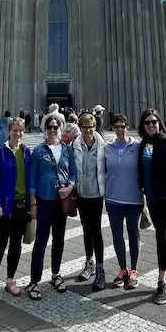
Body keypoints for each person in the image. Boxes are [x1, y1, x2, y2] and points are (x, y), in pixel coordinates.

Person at [26, 114, 77, 300]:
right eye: (50, 127)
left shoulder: (66, 149)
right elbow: (32, 178)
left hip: (60, 202)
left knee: (59, 239)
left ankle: (56, 274)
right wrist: (32, 202)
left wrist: (70, 187)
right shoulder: (39, 150)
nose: (53, 130)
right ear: (45, 129)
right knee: (41, 240)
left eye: (56, 127)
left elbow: (73, 172)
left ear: (61, 129)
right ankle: (34, 280)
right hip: (44, 201)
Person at [0, 118, 32, 307]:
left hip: (21, 206)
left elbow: (30, 180)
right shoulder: (1, 154)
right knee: (1, 243)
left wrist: (31, 204)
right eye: (15, 130)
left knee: (16, 245)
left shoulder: (26, 152)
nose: (18, 134)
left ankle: (10, 279)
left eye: (21, 131)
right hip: (4, 208)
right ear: (9, 132)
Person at [138, 109, 166, 305]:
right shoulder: (144, 144)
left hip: (164, 198)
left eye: (154, 122)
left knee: (160, 236)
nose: (151, 125)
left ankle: (161, 281)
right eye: (147, 122)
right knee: (161, 234)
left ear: (159, 123)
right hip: (152, 198)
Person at [105, 113, 142, 289]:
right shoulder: (107, 148)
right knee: (117, 236)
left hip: (134, 200)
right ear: (113, 128)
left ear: (128, 127)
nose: (120, 129)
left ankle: (134, 270)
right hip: (112, 199)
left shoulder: (138, 146)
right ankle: (122, 269)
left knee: (134, 235)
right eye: (117, 126)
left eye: (123, 126)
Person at [72, 112, 106, 290]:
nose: (87, 130)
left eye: (90, 127)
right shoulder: (75, 145)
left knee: (96, 230)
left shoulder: (102, 147)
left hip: (96, 195)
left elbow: (108, 168)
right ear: (81, 128)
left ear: (95, 127)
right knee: (86, 229)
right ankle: (89, 262)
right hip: (82, 195)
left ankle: (100, 269)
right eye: (84, 127)